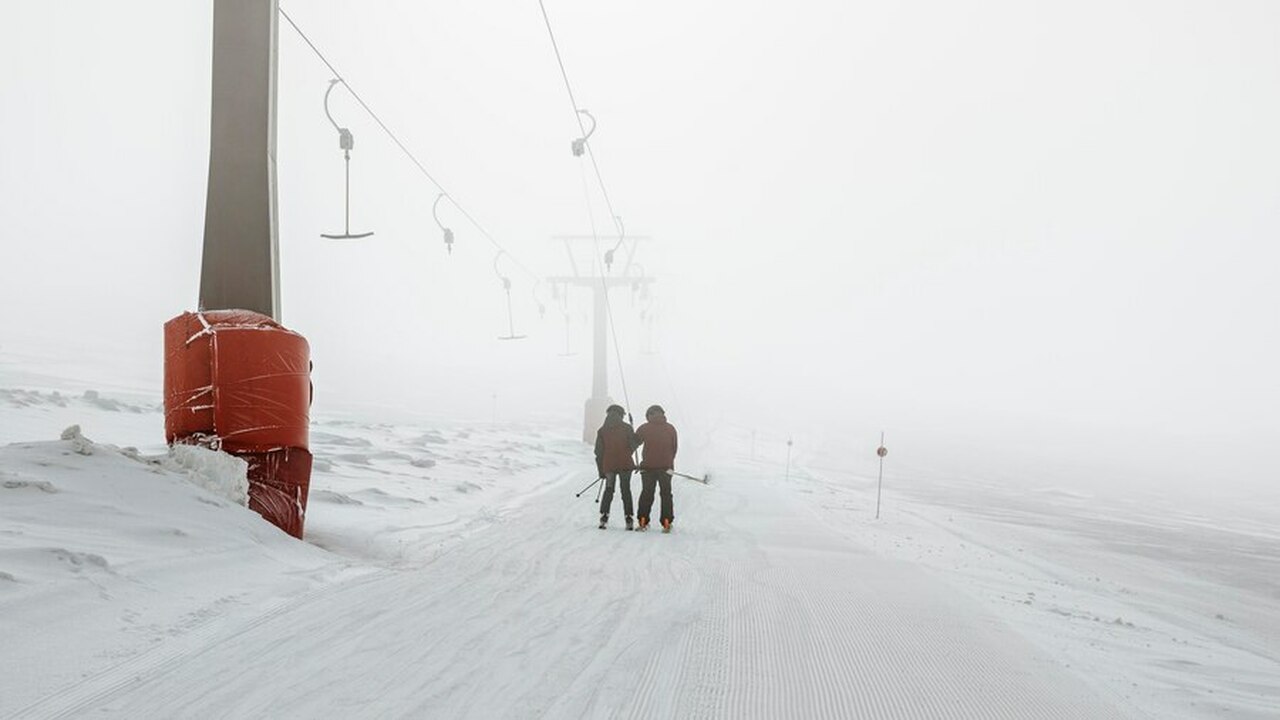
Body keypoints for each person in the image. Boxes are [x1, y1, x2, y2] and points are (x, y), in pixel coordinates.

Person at [634, 404, 678, 532]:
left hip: (647, 468)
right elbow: (674, 448)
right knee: (666, 494)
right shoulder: (671, 428)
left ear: (649, 415)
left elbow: (634, 443)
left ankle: (643, 521)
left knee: (646, 494)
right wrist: (669, 462)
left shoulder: (644, 428)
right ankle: (666, 522)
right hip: (666, 468)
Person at [594, 404, 637, 530]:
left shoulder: (602, 431)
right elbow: (633, 446)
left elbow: (598, 452)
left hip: (609, 465)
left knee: (609, 490)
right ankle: (629, 518)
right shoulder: (627, 428)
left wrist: (601, 470)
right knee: (626, 490)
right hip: (625, 464)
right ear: (621, 414)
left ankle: (604, 517)